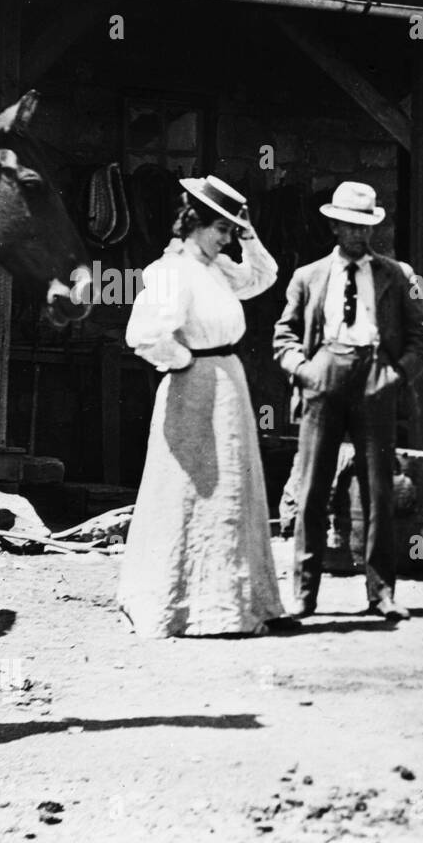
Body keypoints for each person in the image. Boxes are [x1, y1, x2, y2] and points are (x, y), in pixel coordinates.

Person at [118, 175, 295, 638]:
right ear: (193, 222)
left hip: (228, 385)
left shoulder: (215, 268)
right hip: (196, 387)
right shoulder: (171, 270)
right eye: (220, 228)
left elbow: (263, 276)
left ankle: (236, 605)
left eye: (231, 230)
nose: (226, 238)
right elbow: (145, 335)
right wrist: (184, 362)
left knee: (233, 494)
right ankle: (182, 606)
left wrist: (248, 235)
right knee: (194, 492)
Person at [274, 181, 423, 621]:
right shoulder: (307, 276)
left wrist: (395, 376)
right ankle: (304, 594)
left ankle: (381, 593)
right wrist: (304, 371)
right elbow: (283, 336)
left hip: (375, 378)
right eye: (349, 225)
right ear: (334, 225)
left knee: (378, 488)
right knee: (311, 489)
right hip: (323, 377)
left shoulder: (400, 275)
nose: (358, 234)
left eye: (366, 226)